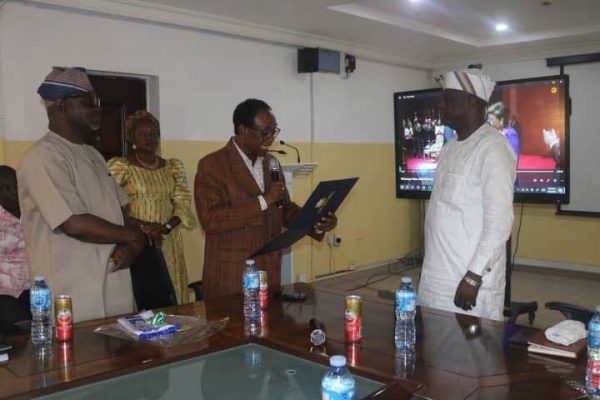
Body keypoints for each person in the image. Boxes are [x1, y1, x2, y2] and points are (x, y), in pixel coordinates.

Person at [18, 67, 146, 322]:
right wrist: (133, 236)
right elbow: (73, 223)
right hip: (73, 300)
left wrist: (130, 246)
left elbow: (120, 211)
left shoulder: (93, 154)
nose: (98, 108)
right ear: (62, 105)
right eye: (88, 102)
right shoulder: (42, 157)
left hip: (114, 291)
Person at [194, 99, 337, 299]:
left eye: (274, 132)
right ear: (243, 130)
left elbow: (284, 209)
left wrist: (318, 222)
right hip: (232, 277)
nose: (270, 139)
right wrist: (263, 201)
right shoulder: (212, 165)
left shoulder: (272, 163)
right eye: (265, 132)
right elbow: (211, 219)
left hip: (270, 275)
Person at [417, 69, 517, 321]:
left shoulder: (493, 148)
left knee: (469, 347)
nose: (442, 105)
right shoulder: (450, 148)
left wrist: (473, 276)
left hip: (468, 282)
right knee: (432, 345)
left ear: (472, 102)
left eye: (450, 99)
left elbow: (499, 221)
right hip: (437, 278)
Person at [108, 110, 197, 304]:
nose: (149, 138)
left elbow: (182, 202)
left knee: (171, 296)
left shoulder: (173, 167)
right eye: (142, 134)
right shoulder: (121, 167)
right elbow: (110, 206)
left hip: (168, 240)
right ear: (131, 138)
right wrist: (144, 227)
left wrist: (165, 227)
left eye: (153, 134)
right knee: (143, 297)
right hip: (137, 241)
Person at [0, 166, 31, 327]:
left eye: (16, 185)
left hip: (34, 286)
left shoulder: (31, 212)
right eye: (6, 188)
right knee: (21, 326)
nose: (13, 191)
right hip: (4, 292)